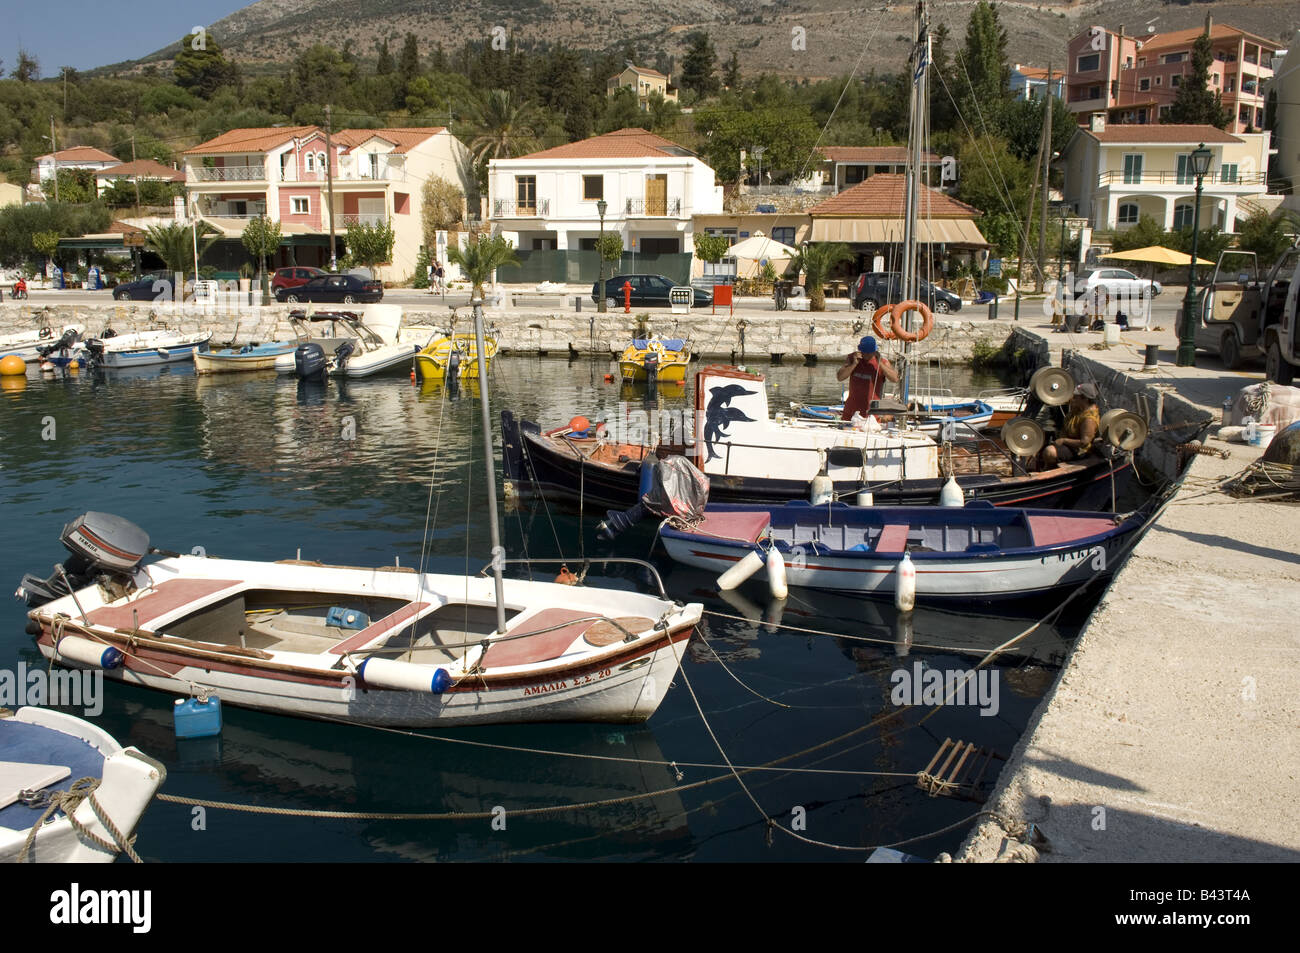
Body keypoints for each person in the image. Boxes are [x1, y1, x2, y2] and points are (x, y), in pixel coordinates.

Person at [1034, 381, 1101, 470]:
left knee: (1049, 452)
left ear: (1085, 399)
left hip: (1079, 450)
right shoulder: (1079, 408)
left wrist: (1064, 440)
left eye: (1076, 397)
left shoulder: (1089, 420)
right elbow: (1062, 398)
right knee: (1038, 438)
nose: (1073, 398)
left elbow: (1084, 442)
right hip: (1066, 440)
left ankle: (1048, 470)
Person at [836, 336, 899, 421]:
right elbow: (840, 377)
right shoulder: (853, 358)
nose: (866, 355)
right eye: (864, 352)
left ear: (874, 351)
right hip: (851, 409)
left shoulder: (882, 362)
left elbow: (895, 379)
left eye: (869, 352)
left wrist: (880, 363)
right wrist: (854, 364)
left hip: (872, 412)